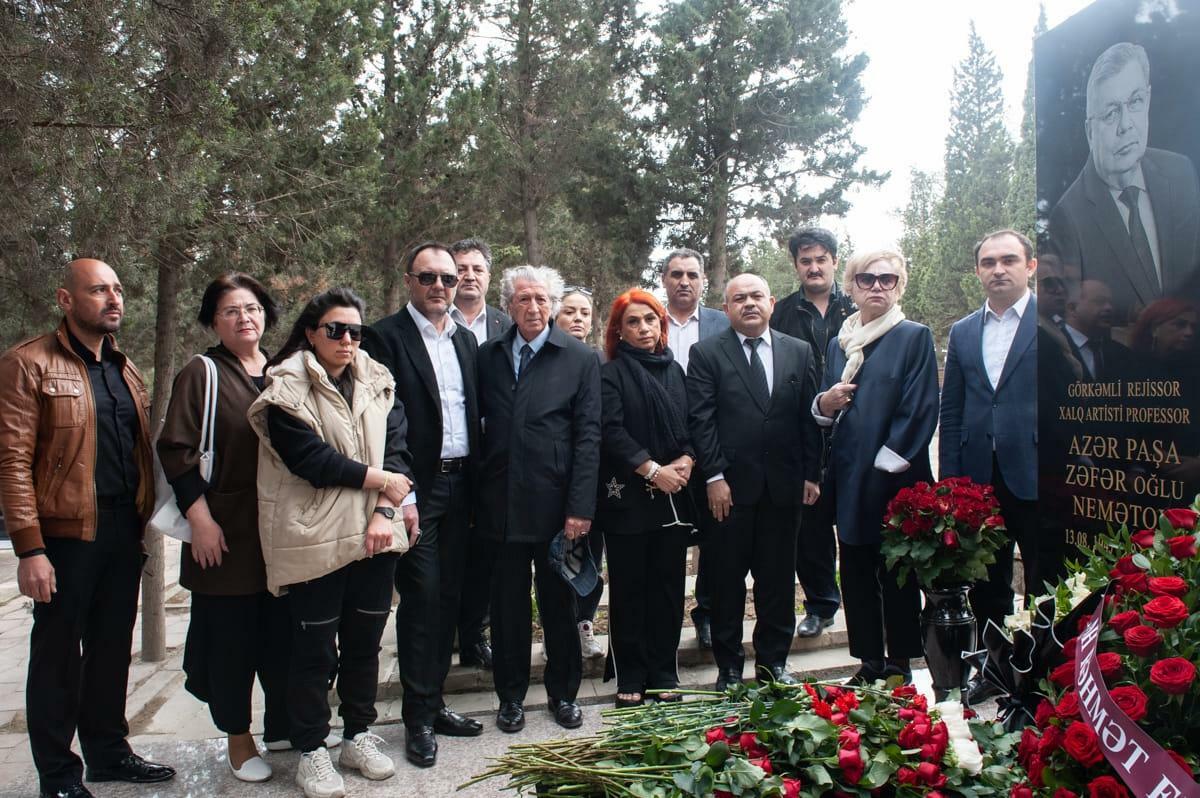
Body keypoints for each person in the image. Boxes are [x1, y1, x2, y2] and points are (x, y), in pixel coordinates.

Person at [0, 259, 175, 798]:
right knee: (57, 657)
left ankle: (108, 753)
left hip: (123, 531)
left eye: (117, 289)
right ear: (66, 299)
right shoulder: (28, 363)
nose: (113, 298)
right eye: (98, 290)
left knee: (111, 648)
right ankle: (57, 775)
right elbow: (12, 461)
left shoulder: (124, 368)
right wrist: (30, 548)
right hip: (64, 538)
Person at [247, 288, 418, 798]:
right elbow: (311, 461)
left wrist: (384, 511)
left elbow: (399, 451)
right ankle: (311, 750)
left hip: (376, 535)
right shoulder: (284, 386)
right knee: (314, 652)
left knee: (365, 645)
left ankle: (357, 735)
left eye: (355, 331)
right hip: (315, 538)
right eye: (335, 330)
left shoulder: (378, 379)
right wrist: (381, 481)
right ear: (310, 333)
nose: (347, 340)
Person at [157, 274, 295, 782]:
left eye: (252, 308)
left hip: (278, 531)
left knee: (282, 635)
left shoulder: (282, 370)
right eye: (231, 310)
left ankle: (283, 724)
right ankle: (238, 739)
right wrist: (200, 521)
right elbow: (176, 450)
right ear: (213, 321)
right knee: (231, 641)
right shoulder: (203, 372)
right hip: (224, 529)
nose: (244, 318)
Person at [361, 243, 484, 768]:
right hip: (418, 490)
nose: (439, 287)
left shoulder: (466, 340)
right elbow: (387, 418)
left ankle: (435, 705)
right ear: (409, 280)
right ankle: (417, 720)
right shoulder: (383, 338)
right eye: (428, 277)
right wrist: (403, 493)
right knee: (422, 598)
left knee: (450, 599)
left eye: (448, 279)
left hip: (463, 486)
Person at [476, 265, 601, 733]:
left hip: (558, 509)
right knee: (507, 608)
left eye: (541, 299)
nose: (533, 307)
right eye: (523, 299)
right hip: (501, 506)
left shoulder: (579, 357)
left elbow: (588, 437)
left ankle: (563, 694)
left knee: (560, 606)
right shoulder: (487, 356)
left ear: (552, 305)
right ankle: (510, 698)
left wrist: (580, 508)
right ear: (509, 305)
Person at [687, 273, 822, 691]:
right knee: (726, 583)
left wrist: (811, 473)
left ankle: (772, 665)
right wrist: (713, 475)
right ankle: (729, 668)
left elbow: (809, 418)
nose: (749, 303)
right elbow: (701, 420)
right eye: (739, 298)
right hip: (728, 492)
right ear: (726, 308)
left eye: (756, 296)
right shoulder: (706, 353)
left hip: (784, 489)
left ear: (772, 302)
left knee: (777, 583)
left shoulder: (798, 351)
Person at [813, 250, 938, 686]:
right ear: (851, 286)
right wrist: (824, 404)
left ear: (900, 286)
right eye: (867, 279)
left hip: (893, 478)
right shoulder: (840, 342)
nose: (877, 287)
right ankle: (868, 661)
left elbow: (920, 406)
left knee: (898, 573)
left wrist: (886, 463)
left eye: (888, 279)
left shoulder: (913, 337)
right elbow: (826, 404)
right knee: (856, 572)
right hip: (849, 476)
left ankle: (900, 664)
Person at [938, 230, 1039, 704]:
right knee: (987, 584)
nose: (998, 269)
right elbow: (952, 411)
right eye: (988, 262)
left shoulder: (1051, 321)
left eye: (1009, 260)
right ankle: (996, 669)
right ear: (977, 271)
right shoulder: (963, 331)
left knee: (1043, 581)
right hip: (979, 479)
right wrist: (951, 485)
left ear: (1030, 266)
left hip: (1038, 474)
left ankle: (1038, 672)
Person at [1047, 42, 1200, 323]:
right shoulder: (1069, 218)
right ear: (1090, 131)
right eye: (1111, 113)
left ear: (1148, 101)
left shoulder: (1180, 173)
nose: (1126, 125)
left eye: (1135, 102)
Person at [597, 289, 696, 707]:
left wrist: (687, 460)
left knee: (668, 589)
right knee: (629, 590)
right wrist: (654, 470)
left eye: (650, 320)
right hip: (628, 500)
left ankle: (663, 671)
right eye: (633, 322)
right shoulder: (611, 374)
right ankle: (632, 675)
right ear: (619, 331)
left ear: (661, 325)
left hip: (674, 500)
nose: (643, 328)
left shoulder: (676, 372)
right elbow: (611, 431)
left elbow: (690, 424)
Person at [769, 227, 854, 640]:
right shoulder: (782, 313)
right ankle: (821, 605)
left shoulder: (856, 304)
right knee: (812, 526)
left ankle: (865, 602)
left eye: (821, 259)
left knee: (855, 523)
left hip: (853, 427)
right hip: (802, 428)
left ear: (835, 261)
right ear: (796, 265)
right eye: (806, 261)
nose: (814, 267)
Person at [660, 248, 729, 651]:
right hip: (663, 455)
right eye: (676, 274)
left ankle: (707, 614)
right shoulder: (648, 319)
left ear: (703, 280)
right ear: (664, 280)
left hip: (713, 447)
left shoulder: (722, 323)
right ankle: (663, 622)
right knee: (668, 538)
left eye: (691, 274)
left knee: (715, 540)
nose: (684, 281)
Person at [449, 237, 512, 671]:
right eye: (461, 269)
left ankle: (475, 635)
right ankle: (445, 633)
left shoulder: (507, 325)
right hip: (448, 459)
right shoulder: (436, 322)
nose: (469, 276)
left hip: (496, 460)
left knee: (488, 555)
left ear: (489, 277)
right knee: (449, 553)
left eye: (477, 269)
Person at [554, 285, 606, 658]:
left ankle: (584, 623)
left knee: (591, 554)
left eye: (584, 313)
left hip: (594, 477)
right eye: (570, 311)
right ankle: (558, 631)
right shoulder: (545, 359)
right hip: (552, 477)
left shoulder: (602, 361)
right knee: (556, 559)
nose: (577, 319)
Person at [1061, 279, 1132, 381]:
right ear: (1072, 308)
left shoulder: (1122, 353)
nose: (1109, 308)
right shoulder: (1051, 347)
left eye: (1111, 303)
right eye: (1099, 301)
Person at [1130, 297, 1198, 368]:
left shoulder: (1193, 367)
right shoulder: (1132, 364)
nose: (1190, 332)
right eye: (1180, 324)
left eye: (1193, 327)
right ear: (1154, 329)